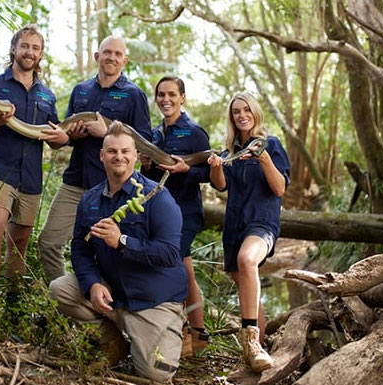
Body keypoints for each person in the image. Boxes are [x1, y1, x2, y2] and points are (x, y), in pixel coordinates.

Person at [50, 122, 187, 382]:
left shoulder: (157, 197)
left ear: (136, 155)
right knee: (60, 290)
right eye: (112, 151)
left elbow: (169, 254)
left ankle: (166, 331)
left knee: (155, 375)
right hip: (113, 294)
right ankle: (114, 339)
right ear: (102, 156)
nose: (119, 157)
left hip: (152, 300)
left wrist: (122, 241)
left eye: (125, 151)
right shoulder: (90, 199)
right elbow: (79, 247)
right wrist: (91, 284)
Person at [36, 36, 151, 283]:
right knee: (48, 242)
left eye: (117, 54)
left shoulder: (134, 95)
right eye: (107, 52)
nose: (111, 58)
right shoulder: (81, 90)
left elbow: (144, 142)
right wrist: (69, 135)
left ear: (124, 60)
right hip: (75, 180)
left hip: (113, 188)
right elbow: (66, 134)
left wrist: (107, 134)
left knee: (108, 250)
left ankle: (105, 309)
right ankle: (63, 301)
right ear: (97, 56)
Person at [0, 25, 67, 309]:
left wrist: (62, 138)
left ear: (41, 54)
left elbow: (53, 138)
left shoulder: (47, 95)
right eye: (24, 46)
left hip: (30, 177)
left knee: (20, 241)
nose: (30, 52)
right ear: (14, 49)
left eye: (35, 48)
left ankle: (14, 303)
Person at [207, 92, 290, 372]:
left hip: (262, 223)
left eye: (246, 110)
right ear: (231, 118)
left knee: (247, 260)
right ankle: (258, 352)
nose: (242, 115)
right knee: (244, 284)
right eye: (236, 112)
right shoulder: (229, 151)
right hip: (234, 225)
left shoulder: (271, 144)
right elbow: (220, 186)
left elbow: (279, 188)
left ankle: (250, 338)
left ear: (255, 112)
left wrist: (264, 158)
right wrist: (217, 167)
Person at [141, 76, 211, 356]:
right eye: (160, 94)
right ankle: (198, 335)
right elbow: (151, 177)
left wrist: (188, 171)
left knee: (172, 268)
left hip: (186, 213)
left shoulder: (195, 132)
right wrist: (146, 166)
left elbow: (211, 173)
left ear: (183, 97)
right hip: (159, 213)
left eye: (171, 94)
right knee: (186, 270)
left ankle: (179, 332)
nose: (165, 99)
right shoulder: (155, 134)